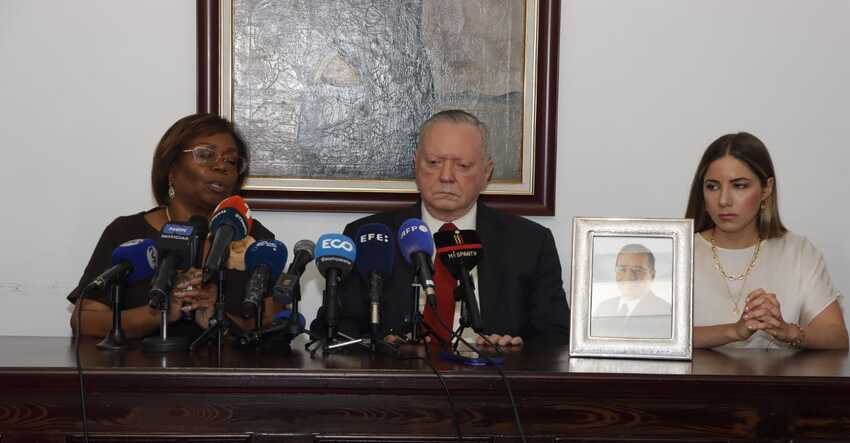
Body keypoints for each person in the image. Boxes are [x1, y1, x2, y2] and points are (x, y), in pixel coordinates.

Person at [313, 109, 570, 347]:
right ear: (416, 164)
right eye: (434, 162)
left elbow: (556, 338)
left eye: (463, 166)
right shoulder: (369, 236)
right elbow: (330, 329)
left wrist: (516, 349)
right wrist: (378, 345)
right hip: (396, 387)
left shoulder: (529, 242)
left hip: (491, 388)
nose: (446, 176)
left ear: (486, 173)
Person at [68, 113, 277, 340]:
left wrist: (220, 317)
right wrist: (158, 313)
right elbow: (85, 320)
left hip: (227, 373)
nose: (221, 166)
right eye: (206, 155)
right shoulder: (126, 233)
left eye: (231, 160)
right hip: (142, 373)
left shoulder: (253, 236)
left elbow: (274, 323)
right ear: (171, 167)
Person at [685, 132, 847, 349]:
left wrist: (788, 330)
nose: (724, 200)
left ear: (766, 189)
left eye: (739, 185)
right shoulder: (680, 251)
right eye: (712, 186)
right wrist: (733, 331)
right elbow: (655, 338)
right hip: (694, 384)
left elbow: (837, 338)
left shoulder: (797, 251)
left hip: (778, 383)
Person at [591, 243, 672, 338]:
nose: (629, 276)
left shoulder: (665, 312)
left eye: (637, 270)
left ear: (652, 275)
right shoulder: (604, 308)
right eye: (622, 269)